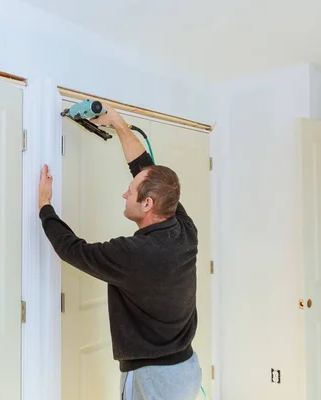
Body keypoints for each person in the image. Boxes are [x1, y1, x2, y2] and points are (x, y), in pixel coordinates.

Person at [38, 102, 202, 400]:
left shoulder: (134, 253)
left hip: (155, 379)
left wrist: (44, 207)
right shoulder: (184, 229)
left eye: (130, 190)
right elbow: (144, 167)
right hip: (186, 368)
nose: (125, 194)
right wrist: (118, 123)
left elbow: (72, 250)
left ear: (148, 204)